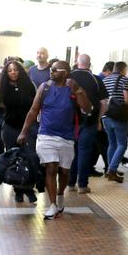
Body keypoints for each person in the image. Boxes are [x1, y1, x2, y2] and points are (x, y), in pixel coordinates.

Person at [17, 61, 91, 220]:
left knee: (64, 171)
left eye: (55, 70)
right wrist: (24, 132)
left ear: (65, 73)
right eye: (51, 69)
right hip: (46, 135)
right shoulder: (44, 87)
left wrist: (78, 90)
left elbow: (87, 109)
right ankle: (52, 205)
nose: (51, 72)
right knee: (51, 168)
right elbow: (33, 110)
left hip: (67, 137)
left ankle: (59, 195)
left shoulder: (74, 89)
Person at [0, 60, 38, 203]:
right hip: (10, 127)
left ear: (20, 71)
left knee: (30, 157)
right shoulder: (1, 88)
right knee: (14, 159)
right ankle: (19, 190)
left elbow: (37, 105)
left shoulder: (30, 85)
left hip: (28, 127)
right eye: (10, 70)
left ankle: (29, 188)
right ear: (6, 73)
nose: (13, 72)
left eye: (16, 70)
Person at [67, 54, 109, 193]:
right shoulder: (96, 79)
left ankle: (70, 183)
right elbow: (104, 103)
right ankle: (83, 185)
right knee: (84, 151)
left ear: (76, 63)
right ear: (90, 64)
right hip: (89, 121)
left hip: (71, 121)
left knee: (72, 151)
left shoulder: (69, 77)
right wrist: (98, 120)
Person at [102, 61, 128, 183]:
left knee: (112, 144)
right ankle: (112, 170)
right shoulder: (124, 80)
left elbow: (102, 100)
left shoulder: (105, 80)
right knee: (122, 144)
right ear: (123, 70)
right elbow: (126, 100)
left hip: (106, 116)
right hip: (119, 117)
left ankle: (110, 169)